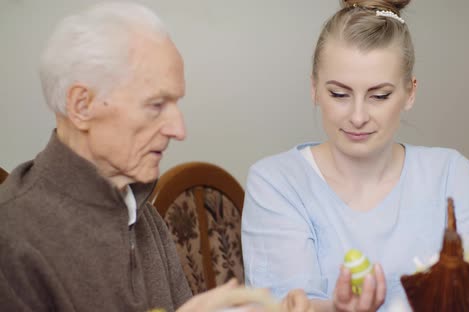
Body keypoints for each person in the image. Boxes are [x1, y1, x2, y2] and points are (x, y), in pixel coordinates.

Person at [0, 2, 312, 312]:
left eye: (176, 103)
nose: (179, 129)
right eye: (155, 105)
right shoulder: (11, 237)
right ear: (82, 106)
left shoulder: (138, 208)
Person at [241, 0, 469, 311]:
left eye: (379, 96)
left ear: (410, 92)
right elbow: (288, 304)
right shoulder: (277, 182)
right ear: (314, 89)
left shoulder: (451, 174)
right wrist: (337, 309)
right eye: (339, 94)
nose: (358, 116)